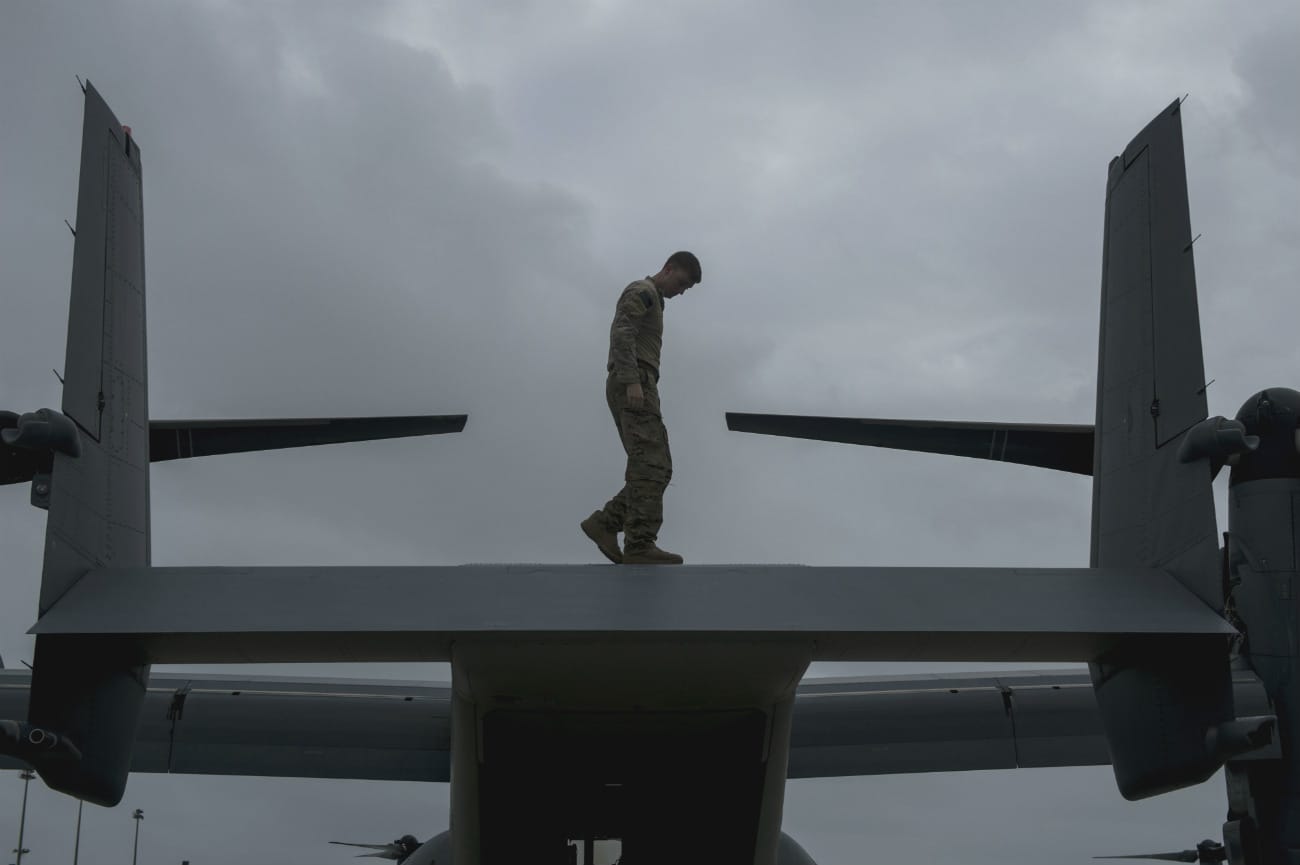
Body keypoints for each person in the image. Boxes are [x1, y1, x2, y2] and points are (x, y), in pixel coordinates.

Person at [581, 251, 701, 565]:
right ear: (669, 268)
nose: (682, 291)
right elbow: (623, 332)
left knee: (655, 467)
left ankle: (607, 523)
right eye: (682, 282)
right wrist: (632, 381)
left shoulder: (654, 298)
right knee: (651, 463)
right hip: (634, 380)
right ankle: (639, 544)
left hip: (641, 381)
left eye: (687, 288)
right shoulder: (643, 292)